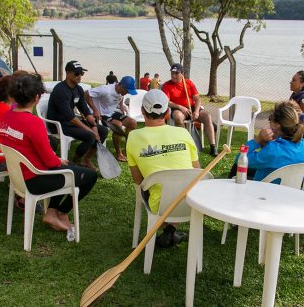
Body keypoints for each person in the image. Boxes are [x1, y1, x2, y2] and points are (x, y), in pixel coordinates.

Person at [0, 74, 97, 232]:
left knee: (68, 166)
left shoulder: (5, 116)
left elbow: (27, 148)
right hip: (35, 179)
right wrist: (58, 161)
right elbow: (51, 162)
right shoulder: (34, 122)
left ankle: (51, 212)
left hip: (18, 176)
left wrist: (58, 161)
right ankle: (62, 212)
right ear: (37, 98)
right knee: (89, 176)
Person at [126, 89, 200, 248]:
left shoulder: (132, 137)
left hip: (160, 206)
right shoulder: (183, 133)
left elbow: (138, 180)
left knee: (150, 190)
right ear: (167, 112)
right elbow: (197, 172)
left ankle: (169, 230)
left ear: (142, 111)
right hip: (191, 202)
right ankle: (172, 231)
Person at [47, 61, 109, 170]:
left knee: (103, 130)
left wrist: (94, 126)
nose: (79, 76)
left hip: (71, 121)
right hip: (59, 124)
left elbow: (85, 110)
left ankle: (86, 159)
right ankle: (76, 160)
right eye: (77, 73)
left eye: (81, 73)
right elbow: (70, 117)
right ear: (68, 73)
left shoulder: (78, 89)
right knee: (90, 135)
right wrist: (90, 130)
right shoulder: (60, 90)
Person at [228, 101, 304, 181]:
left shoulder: (273, 150)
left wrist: (257, 140)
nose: (269, 122)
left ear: (277, 125)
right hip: (293, 191)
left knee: (236, 168)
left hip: (266, 191)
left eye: (271, 119)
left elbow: (240, 160)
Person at [162, 63, 218, 156]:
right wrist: (180, 107)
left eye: (176, 73)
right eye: (172, 73)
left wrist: (196, 111)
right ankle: (186, 144)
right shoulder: (167, 85)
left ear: (182, 73)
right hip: (178, 109)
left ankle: (213, 146)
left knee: (207, 116)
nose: (173, 75)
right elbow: (167, 102)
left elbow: (197, 99)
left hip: (192, 107)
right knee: (178, 117)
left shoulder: (189, 83)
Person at [85, 75, 138, 162]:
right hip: (100, 115)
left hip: (111, 113)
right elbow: (87, 93)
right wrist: (94, 110)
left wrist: (121, 106)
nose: (127, 93)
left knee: (133, 122)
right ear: (122, 86)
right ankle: (119, 154)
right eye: (127, 91)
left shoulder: (121, 91)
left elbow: (120, 97)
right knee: (118, 124)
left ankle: (128, 150)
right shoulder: (106, 90)